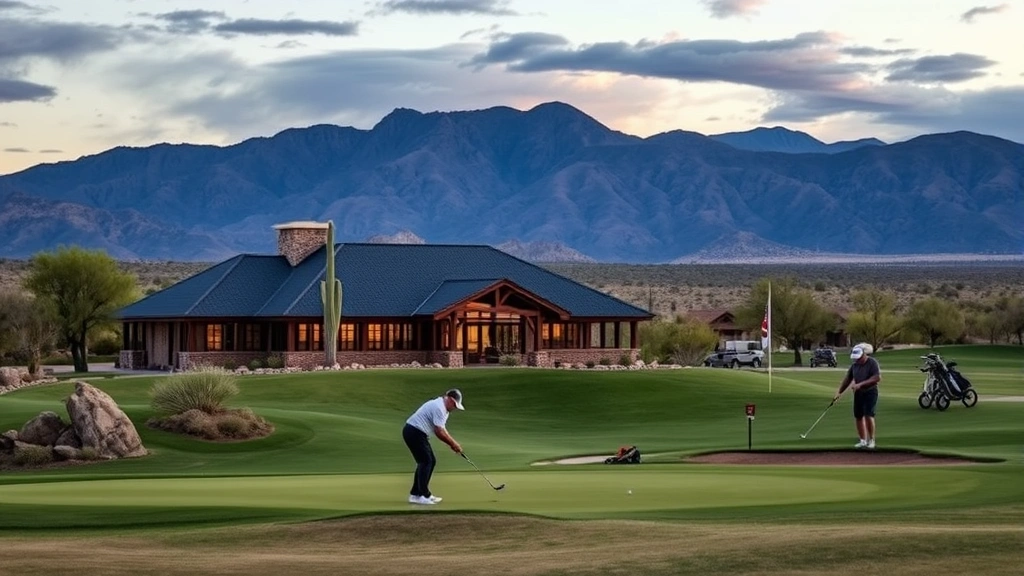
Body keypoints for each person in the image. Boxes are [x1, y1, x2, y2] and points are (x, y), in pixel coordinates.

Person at [402, 388, 464, 505]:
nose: (455, 408)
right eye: (455, 405)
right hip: (414, 432)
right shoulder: (439, 407)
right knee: (426, 461)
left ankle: (415, 494)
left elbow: (442, 429)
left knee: (427, 461)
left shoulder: (444, 410)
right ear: (450, 400)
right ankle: (424, 495)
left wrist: (453, 444)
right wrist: (453, 444)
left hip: (416, 433)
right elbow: (439, 431)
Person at [836, 343, 881, 449]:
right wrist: (839, 393)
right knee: (858, 416)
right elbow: (848, 379)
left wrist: (860, 384)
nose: (857, 360)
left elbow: (877, 378)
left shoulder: (872, 363)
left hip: (870, 391)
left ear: (864, 355)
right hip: (858, 393)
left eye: (859, 358)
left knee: (868, 415)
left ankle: (872, 440)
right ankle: (863, 441)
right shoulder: (855, 365)